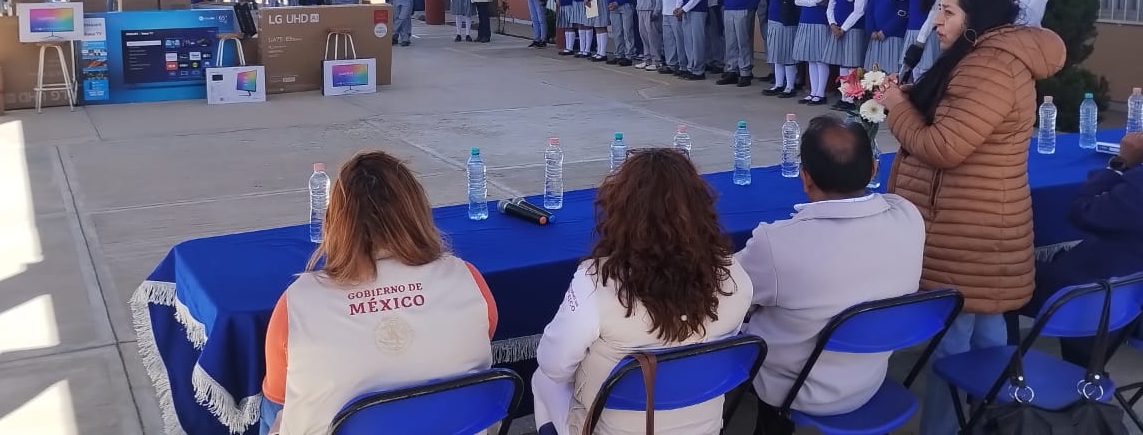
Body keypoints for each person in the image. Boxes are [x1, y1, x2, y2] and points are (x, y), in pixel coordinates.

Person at [879, 0, 1066, 435]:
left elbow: (944, 146)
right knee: (986, 335)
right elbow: (955, 119)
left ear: (975, 19)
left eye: (948, 12)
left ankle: (945, 428)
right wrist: (908, 97)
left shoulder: (989, 66)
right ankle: (989, 423)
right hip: (978, 224)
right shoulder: (982, 57)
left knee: (954, 345)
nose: (937, 21)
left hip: (970, 232)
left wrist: (897, 107)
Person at [260, 152, 497, 435]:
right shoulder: (467, 278)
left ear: (336, 222)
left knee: (274, 407)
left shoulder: (297, 302)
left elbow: (279, 392)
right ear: (416, 212)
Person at [532, 148, 753, 435]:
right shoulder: (736, 276)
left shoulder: (595, 281)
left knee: (543, 378)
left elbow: (554, 365)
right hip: (706, 428)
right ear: (701, 208)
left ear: (621, 212)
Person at [740, 116, 925, 434]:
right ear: (874, 169)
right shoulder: (908, 217)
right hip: (868, 379)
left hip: (792, 388)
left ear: (805, 178)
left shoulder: (777, 243)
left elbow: (726, 291)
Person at [1026, 132, 1143, 366]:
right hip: (1126, 290)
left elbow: (1082, 211)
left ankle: (999, 368)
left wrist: (1119, 164)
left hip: (1092, 292)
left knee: (1003, 276)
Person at [823, 0, 872, 111]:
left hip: (853, 29)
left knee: (852, 65)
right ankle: (845, 97)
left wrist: (843, 28)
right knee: (842, 64)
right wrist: (832, 24)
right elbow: (831, 6)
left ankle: (852, 98)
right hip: (837, 28)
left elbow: (859, 10)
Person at [793, 0, 837, 106]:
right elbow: (798, 0)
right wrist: (813, 2)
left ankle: (821, 93)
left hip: (820, 23)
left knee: (820, 59)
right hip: (806, 21)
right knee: (811, 59)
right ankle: (813, 92)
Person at [900, 0, 946, 82]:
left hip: (927, 34)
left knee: (925, 70)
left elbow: (933, 15)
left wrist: (921, 39)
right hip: (911, 32)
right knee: (912, 70)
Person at [763, 0, 802, 98]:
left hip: (787, 24)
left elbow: (797, 6)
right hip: (773, 22)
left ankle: (790, 86)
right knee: (777, 56)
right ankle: (778, 84)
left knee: (787, 56)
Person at [863, 0, 908, 73]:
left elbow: (902, 13)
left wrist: (885, 31)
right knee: (872, 74)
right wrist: (871, 30)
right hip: (875, 37)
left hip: (892, 37)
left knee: (890, 73)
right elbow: (869, 10)